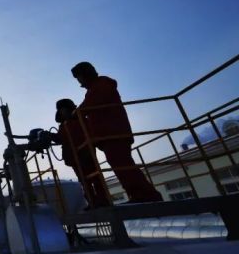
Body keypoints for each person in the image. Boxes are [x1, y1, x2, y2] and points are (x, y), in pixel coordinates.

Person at [71, 62, 163, 203]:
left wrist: (77, 113)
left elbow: (92, 103)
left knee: (124, 166)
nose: (79, 81)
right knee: (122, 166)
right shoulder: (94, 88)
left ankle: (147, 195)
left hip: (114, 133)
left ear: (85, 74)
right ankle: (138, 195)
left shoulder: (102, 85)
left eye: (79, 77)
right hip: (109, 135)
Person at [52, 99, 111, 208]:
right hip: (73, 157)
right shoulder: (64, 125)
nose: (62, 112)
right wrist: (50, 136)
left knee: (95, 178)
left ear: (69, 108)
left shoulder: (80, 118)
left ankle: (103, 200)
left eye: (64, 109)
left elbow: (90, 131)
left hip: (86, 153)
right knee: (84, 181)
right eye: (61, 110)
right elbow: (61, 138)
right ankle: (92, 202)